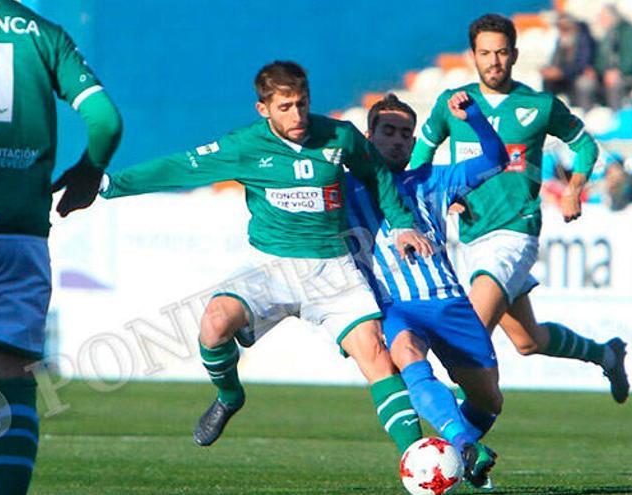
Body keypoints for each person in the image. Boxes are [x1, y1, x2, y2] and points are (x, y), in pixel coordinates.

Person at [98, 61, 432, 453]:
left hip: (332, 268)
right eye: (286, 106)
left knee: (376, 355)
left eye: (303, 104)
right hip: (268, 265)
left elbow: (376, 174)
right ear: (264, 109)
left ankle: (419, 459)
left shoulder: (339, 136)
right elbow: (181, 166)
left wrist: (404, 223)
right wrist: (109, 185)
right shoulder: (245, 145)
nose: (298, 115)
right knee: (214, 324)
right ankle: (228, 396)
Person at [0, 1, 123, 493]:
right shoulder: (44, 34)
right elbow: (106, 121)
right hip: (18, 232)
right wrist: (88, 172)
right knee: (14, 375)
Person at [409, 13, 630, 404]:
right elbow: (421, 160)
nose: (494, 61)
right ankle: (607, 354)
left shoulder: (539, 105)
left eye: (501, 53)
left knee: (469, 331)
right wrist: (440, 195)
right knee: (529, 340)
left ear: (514, 54)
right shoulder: (453, 105)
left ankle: (462, 437)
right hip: (473, 236)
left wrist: (574, 188)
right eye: (485, 53)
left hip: (516, 232)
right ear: (472, 56)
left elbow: (585, 146)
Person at [347, 92, 507, 488]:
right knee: (405, 354)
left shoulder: (432, 180)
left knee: (489, 401)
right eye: (389, 131)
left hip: (450, 304)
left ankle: (462, 448)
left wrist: (474, 117)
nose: (399, 140)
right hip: (397, 306)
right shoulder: (346, 189)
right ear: (369, 136)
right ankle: (463, 445)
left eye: (406, 134)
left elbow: (496, 160)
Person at [588, 4, 632, 110]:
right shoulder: (606, 35)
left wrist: (620, 72)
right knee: (585, 84)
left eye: (602, 17)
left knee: (616, 85)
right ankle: (590, 116)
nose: (600, 20)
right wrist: (596, 71)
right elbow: (600, 59)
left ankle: (617, 117)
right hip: (609, 77)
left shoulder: (628, 31)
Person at [540, 13, 597, 111]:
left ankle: (586, 112)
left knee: (583, 84)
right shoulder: (561, 41)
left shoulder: (584, 39)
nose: (562, 30)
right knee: (548, 81)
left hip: (578, 75)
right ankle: (548, 111)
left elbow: (582, 64)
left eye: (564, 27)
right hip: (564, 76)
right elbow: (555, 60)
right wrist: (549, 70)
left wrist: (561, 72)